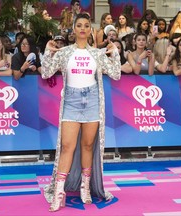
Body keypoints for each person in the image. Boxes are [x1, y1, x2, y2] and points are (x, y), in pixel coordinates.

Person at [40, 12, 121, 212]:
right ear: (74, 29)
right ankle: (59, 193)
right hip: (71, 101)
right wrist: (48, 52)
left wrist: (115, 53)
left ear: (90, 30)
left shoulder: (97, 54)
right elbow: (46, 72)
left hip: (92, 100)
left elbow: (116, 74)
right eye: (79, 25)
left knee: (87, 145)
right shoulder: (65, 52)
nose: (83, 28)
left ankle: (86, 188)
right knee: (67, 146)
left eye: (86, 25)